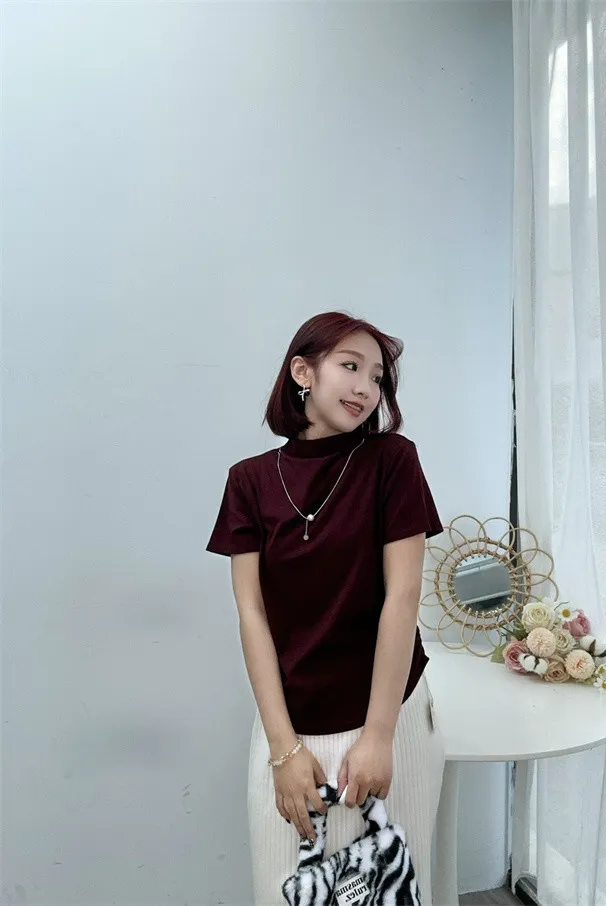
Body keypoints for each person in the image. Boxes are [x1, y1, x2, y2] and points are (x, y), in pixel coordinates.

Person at [206, 311, 446, 905]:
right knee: (283, 892)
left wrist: (379, 737)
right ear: (303, 372)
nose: (366, 387)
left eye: (378, 377)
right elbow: (252, 614)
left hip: (388, 715)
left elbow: (402, 598)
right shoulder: (249, 481)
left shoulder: (393, 461)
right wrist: (284, 750)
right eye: (350, 366)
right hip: (289, 729)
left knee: (392, 892)